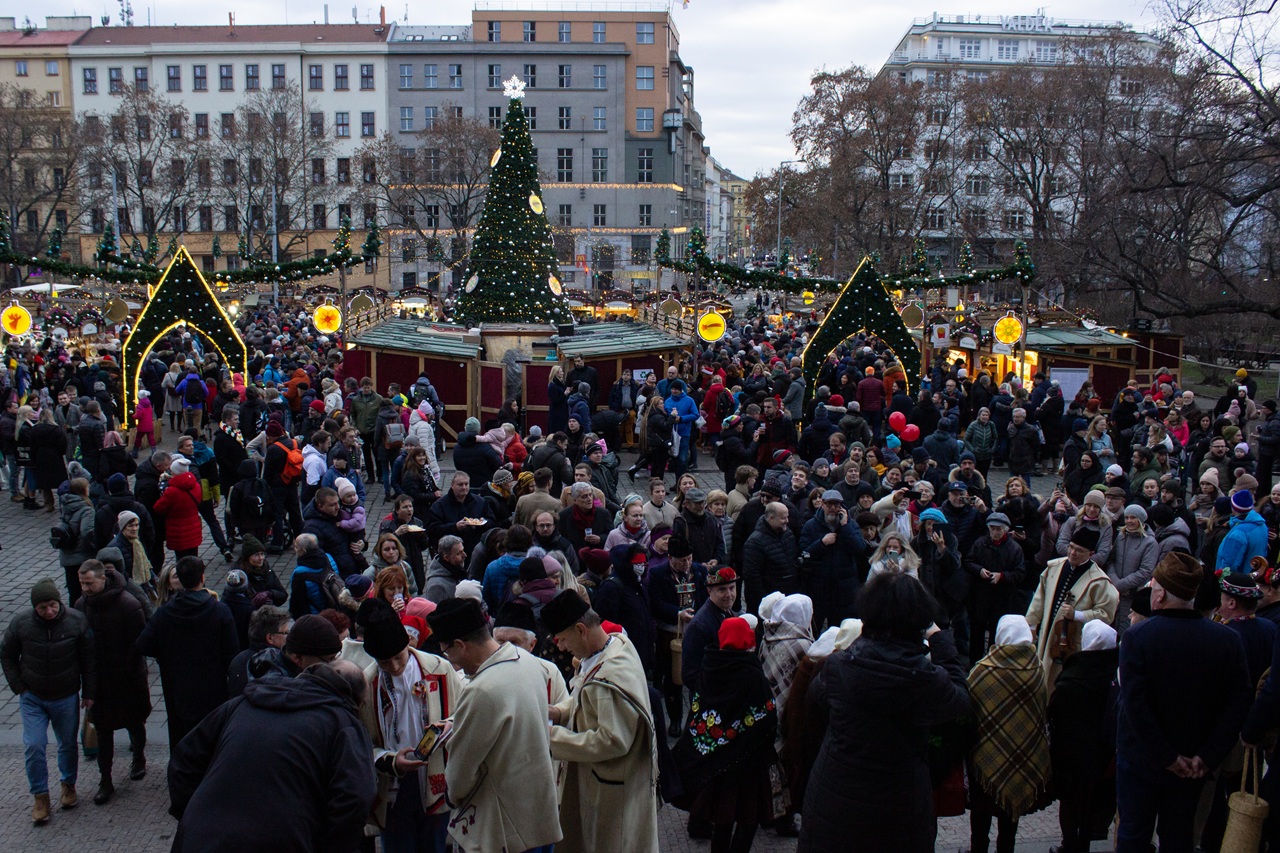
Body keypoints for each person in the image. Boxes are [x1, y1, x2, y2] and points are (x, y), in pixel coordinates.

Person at [798, 571, 970, 853]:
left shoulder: (838, 667)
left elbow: (817, 703)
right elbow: (960, 700)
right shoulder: (927, 679)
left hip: (835, 796)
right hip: (899, 805)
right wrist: (940, 639)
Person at [1115, 551, 1252, 852]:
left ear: (1161, 594)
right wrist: (1207, 756)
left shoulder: (1138, 637)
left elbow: (1136, 706)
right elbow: (1238, 703)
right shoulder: (1226, 640)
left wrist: (1167, 757)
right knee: (1179, 839)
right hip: (1194, 764)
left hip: (1142, 762)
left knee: (1133, 837)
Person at [167, 660, 376, 853]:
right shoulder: (344, 725)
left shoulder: (244, 703)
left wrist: (192, 815)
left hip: (201, 838)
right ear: (357, 701)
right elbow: (355, 798)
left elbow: (184, 759)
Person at [427, 598, 563, 853]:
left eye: (447, 652)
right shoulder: (529, 662)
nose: (452, 661)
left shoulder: (481, 689)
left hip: (502, 827)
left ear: (460, 645)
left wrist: (451, 796)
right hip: (539, 813)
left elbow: (461, 770)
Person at [543, 590, 661, 853]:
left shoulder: (609, 677)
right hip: (609, 781)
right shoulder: (615, 644)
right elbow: (584, 697)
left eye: (563, 639)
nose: (561, 647)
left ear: (581, 629)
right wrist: (559, 712)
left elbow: (612, 740)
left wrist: (551, 739)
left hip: (613, 792)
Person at [356, 597, 463, 850]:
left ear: (408, 644)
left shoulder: (439, 669)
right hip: (393, 786)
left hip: (435, 779)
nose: (394, 666)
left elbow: (465, 714)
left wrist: (449, 726)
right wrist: (392, 761)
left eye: (398, 657)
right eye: (384, 662)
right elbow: (362, 745)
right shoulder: (367, 684)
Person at [673, 616, 779, 853]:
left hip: (717, 764)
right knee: (748, 817)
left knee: (723, 816)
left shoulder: (709, 667)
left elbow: (699, 708)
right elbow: (767, 715)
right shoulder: (751, 673)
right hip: (747, 763)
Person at [1, 578, 96, 824]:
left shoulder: (76, 621)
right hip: (33, 697)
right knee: (34, 745)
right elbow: (6, 654)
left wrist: (89, 692)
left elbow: (88, 658)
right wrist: (18, 687)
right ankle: (40, 796)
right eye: (43, 607)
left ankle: (68, 785)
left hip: (65, 695)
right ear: (35, 607)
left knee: (67, 744)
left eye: (52, 605)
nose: (49, 611)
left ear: (59, 602)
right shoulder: (21, 623)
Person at [966, 615, 1051, 853]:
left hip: (985, 755)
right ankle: (1006, 848)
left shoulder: (983, 671)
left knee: (980, 814)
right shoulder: (1037, 670)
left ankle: (978, 849)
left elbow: (968, 706)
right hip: (1022, 756)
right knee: (1010, 814)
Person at [135, 556, 240, 750]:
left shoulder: (165, 612)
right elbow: (232, 654)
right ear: (202, 578)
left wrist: (167, 652)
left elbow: (143, 645)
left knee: (183, 740)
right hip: (213, 687)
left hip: (178, 687)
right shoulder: (219, 611)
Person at [73, 560, 150, 804]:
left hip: (127, 678)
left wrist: (128, 671)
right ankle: (105, 779)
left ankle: (139, 757)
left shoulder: (128, 604)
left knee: (135, 723)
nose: (85, 588)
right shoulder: (81, 605)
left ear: (102, 579)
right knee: (103, 731)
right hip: (99, 681)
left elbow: (138, 644)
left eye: (89, 583)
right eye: (82, 583)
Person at [1025, 527, 1119, 693]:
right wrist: (1031, 625)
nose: (1073, 553)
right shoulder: (1054, 567)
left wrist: (1077, 615)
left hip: (1071, 644)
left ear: (1090, 554)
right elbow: (1039, 598)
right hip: (1047, 635)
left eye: (1079, 550)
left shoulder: (1099, 581)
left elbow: (1106, 614)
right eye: (1071, 547)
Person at [964, 513, 1027, 665]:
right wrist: (979, 570)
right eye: (992, 528)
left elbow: (1020, 573)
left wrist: (1002, 576)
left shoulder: (1014, 548)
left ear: (1005, 530)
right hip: (980, 595)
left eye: (998, 529)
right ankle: (974, 663)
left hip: (1002, 597)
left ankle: (993, 663)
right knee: (977, 632)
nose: (995, 532)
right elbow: (968, 561)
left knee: (996, 632)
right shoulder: (980, 543)